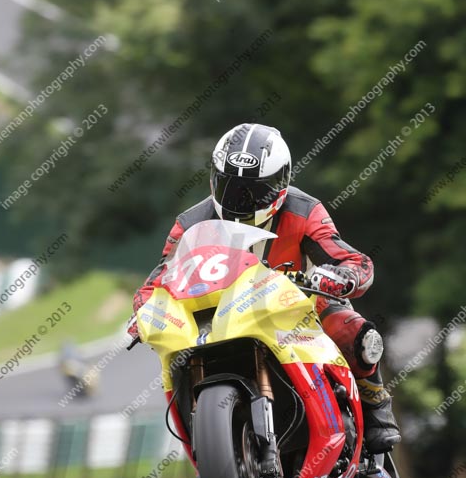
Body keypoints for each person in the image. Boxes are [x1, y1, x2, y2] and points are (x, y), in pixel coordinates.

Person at [128, 123, 401, 453]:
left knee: (353, 332)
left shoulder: (304, 210)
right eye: (230, 186)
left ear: (282, 181)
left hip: (297, 304)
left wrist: (341, 277)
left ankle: (376, 409)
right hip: (220, 313)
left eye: (255, 189)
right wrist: (144, 309)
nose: (240, 199)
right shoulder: (190, 222)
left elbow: (352, 260)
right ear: (214, 177)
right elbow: (160, 277)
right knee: (178, 357)